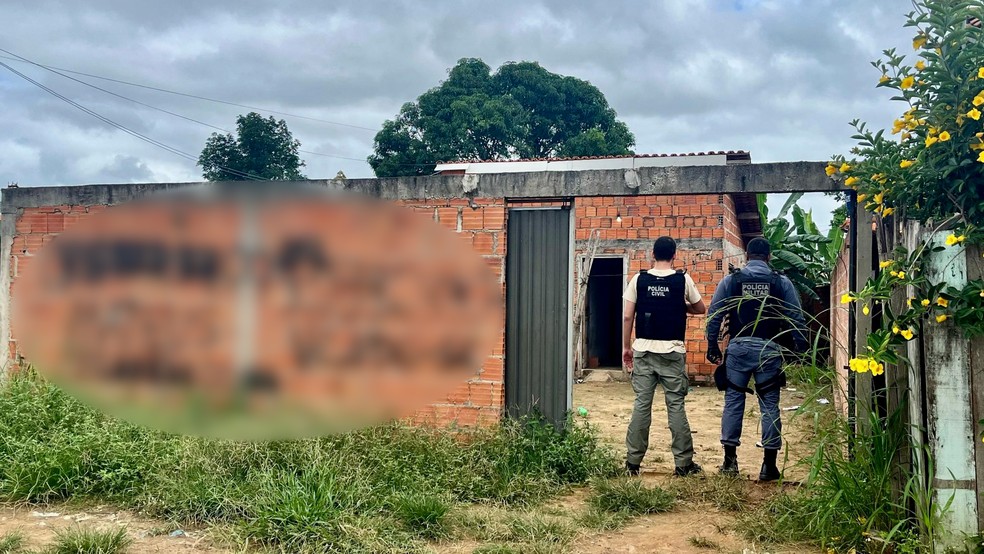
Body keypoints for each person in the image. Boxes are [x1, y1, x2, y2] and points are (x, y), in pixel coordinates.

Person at [705, 237, 808, 481]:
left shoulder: (732, 280)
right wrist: (801, 347)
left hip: (738, 349)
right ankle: (768, 467)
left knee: (733, 401)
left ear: (747, 257)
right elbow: (796, 316)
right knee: (769, 404)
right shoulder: (780, 281)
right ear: (769, 257)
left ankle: (730, 463)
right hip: (769, 351)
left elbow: (715, 313)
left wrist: (712, 344)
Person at [622, 236, 706, 477]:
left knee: (641, 405)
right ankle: (683, 464)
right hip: (672, 351)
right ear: (674, 255)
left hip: (644, 350)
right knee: (676, 406)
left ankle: (632, 463)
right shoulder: (683, 280)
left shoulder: (639, 279)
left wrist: (626, 347)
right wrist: (681, 306)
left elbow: (628, 316)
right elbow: (701, 308)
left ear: (652, 255)